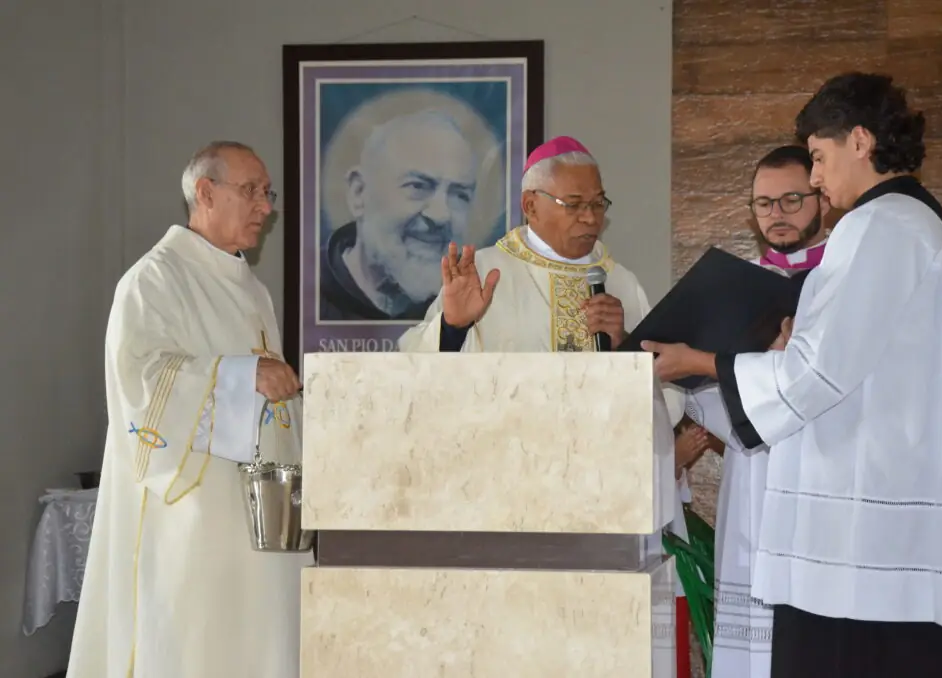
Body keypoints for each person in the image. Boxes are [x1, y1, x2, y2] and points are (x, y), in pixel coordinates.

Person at [642, 72, 942, 678]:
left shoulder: (877, 228)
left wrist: (701, 362)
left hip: (867, 531)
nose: (816, 178)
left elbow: (814, 372)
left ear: (861, 142)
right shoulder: (925, 226)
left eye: (819, 157)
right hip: (907, 503)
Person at [398, 135, 694, 674]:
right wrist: (453, 325)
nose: (591, 219)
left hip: (605, 512)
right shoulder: (484, 272)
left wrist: (624, 346)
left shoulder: (620, 281)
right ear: (530, 205)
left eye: (598, 203)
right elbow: (411, 377)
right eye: (574, 204)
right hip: (508, 506)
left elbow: (668, 399)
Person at [67, 141, 310, 678]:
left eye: (268, 194)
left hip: (262, 519)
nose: (265, 206)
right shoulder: (153, 280)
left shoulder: (253, 290)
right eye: (252, 191)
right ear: (206, 192)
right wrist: (244, 376)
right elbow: (142, 382)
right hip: (194, 516)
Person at [682, 145, 830, 678]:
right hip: (754, 476)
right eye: (764, 203)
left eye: (792, 199)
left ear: (822, 200)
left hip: (824, 478)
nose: (776, 214)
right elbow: (699, 391)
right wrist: (754, 381)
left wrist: (782, 371)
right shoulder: (736, 287)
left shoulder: (843, 280)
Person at [319, 109, 478, 321]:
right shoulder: (305, 290)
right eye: (417, 186)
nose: (441, 215)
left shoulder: (475, 304)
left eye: (460, 195)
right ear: (359, 193)